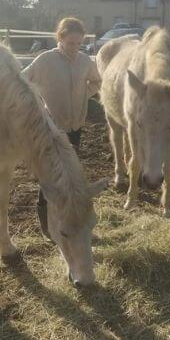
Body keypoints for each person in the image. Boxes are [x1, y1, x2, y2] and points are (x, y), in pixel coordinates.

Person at [21, 17, 102, 243]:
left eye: (78, 44)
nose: (75, 48)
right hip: (51, 129)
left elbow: (96, 81)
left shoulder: (85, 61)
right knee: (50, 177)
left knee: (71, 176)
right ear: (60, 38)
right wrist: (38, 106)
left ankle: (72, 221)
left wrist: (84, 97)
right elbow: (22, 81)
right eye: (70, 43)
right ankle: (46, 227)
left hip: (75, 127)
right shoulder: (45, 61)